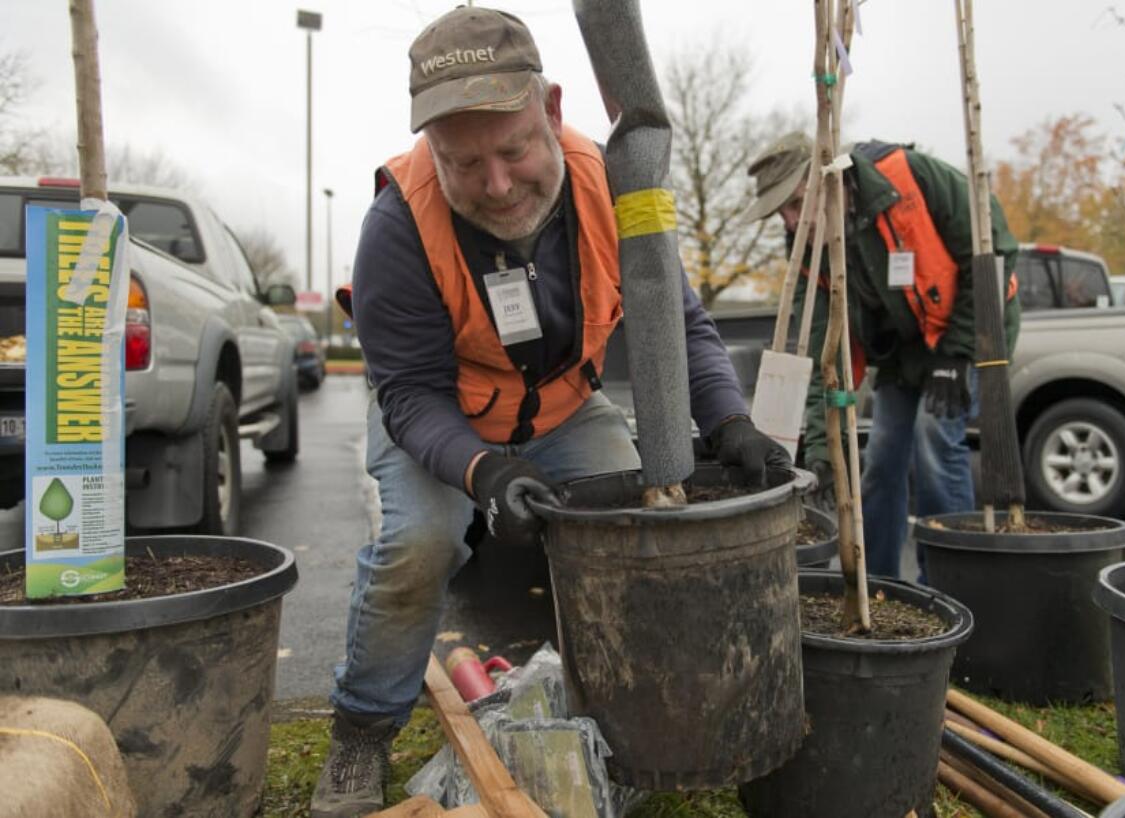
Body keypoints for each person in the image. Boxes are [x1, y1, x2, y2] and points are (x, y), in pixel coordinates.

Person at [311, 8, 787, 816]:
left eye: (514, 150)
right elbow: (409, 397)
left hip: (566, 411)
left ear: (554, 111)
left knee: (643, 531)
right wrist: (482, 472)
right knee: (419, 546)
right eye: (465, 163)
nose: (496, 185)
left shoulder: (619, 186)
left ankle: (631, 724)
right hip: (445, 425)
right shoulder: (397, 226)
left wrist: (731, 422)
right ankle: (361, 732)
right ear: (432, 150)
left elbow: (682, 325)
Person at [743, 132, 1021, 580]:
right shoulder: (810, 254)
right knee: (883, 456)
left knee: (936, 440)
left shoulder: (912, 177)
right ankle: (878, 585)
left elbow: (994, 252)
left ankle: (950, 581)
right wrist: (820, 448)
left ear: (825, 181)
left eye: (795, 205)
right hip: (904, 352)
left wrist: (957, 355)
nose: (791, 223)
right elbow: (821, 354)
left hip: (969, 332)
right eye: (782, 214)